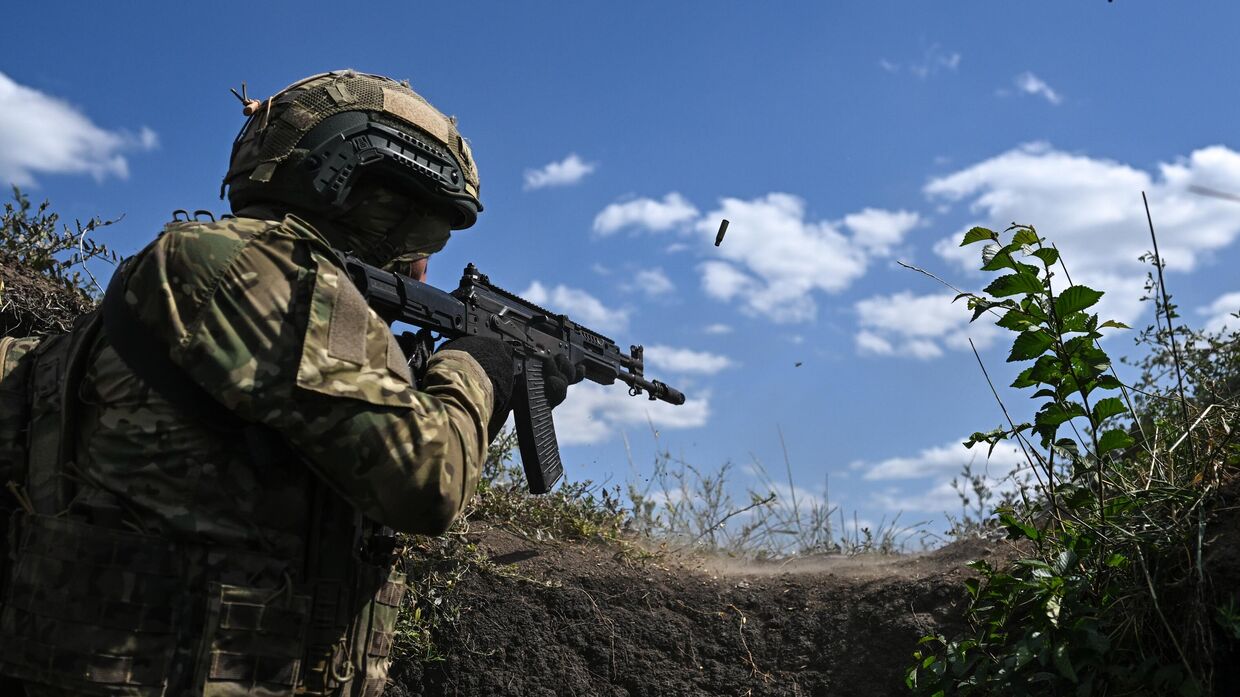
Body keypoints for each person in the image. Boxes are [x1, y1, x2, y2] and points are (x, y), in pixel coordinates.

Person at [0, 69, 572, 697]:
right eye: (423, 230)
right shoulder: (250, 268)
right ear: (362, 191)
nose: (424, 261)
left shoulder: (218, 283)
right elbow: (426, 483)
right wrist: (477, 369)